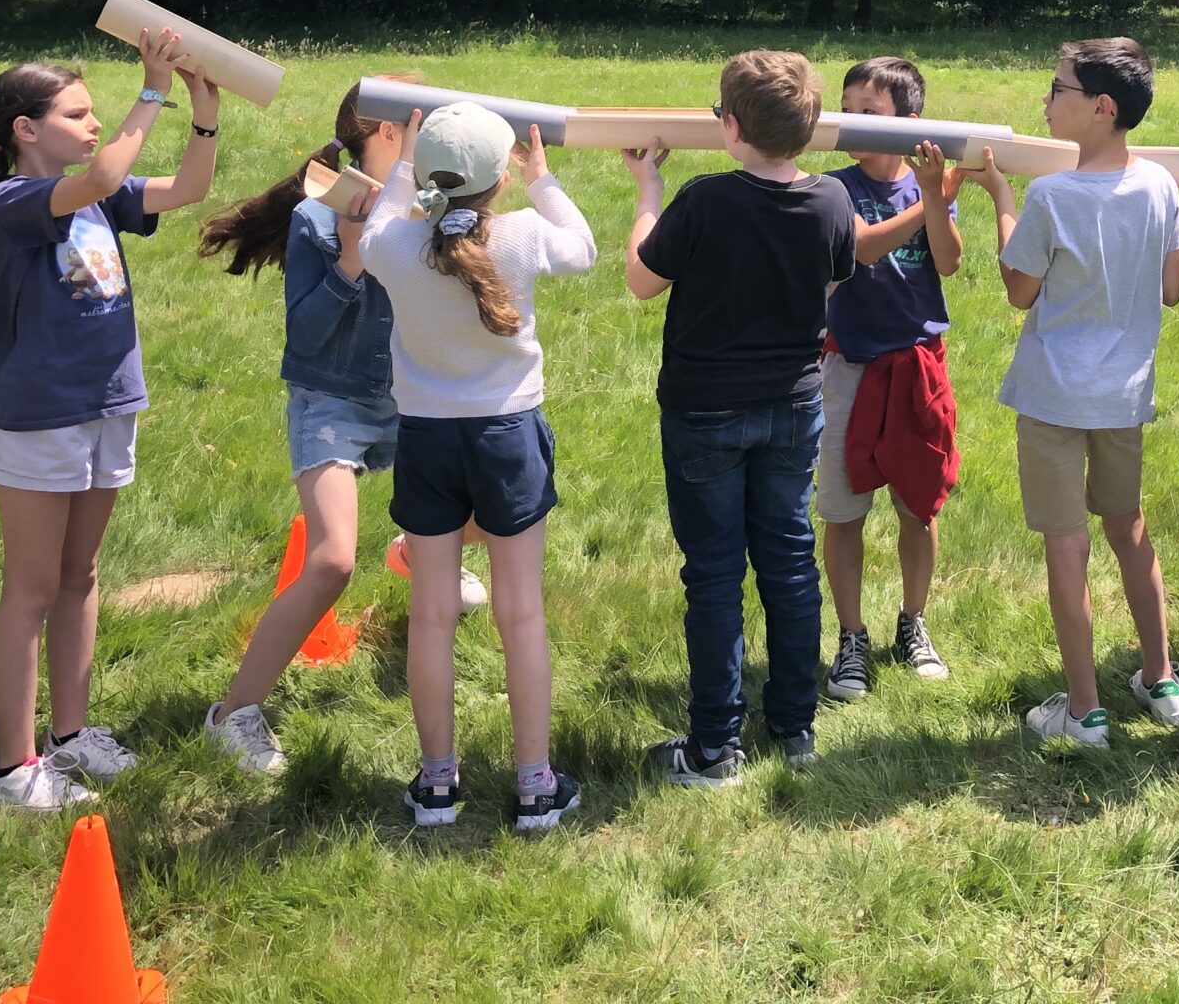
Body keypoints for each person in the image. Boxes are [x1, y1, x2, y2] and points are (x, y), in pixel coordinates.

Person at [192, 80, 483, 780]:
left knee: (496, 509)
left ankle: (416, 551)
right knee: (330, 563)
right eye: (429, 124)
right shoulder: (317, 217)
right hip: (332, 400)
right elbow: (307, 335)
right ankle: (232, 714)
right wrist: (353, 256)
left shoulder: (430, 207)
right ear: (391, 134)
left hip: (412, 395)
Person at [0, 36, 222, 811]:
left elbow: (188, 189)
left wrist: (203, 111)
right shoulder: (13, 201)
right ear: (25, 130)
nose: (93, 124)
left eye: (93, 114)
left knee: (80, 575)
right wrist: (153, 88)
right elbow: (105, 173)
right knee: (32, 587)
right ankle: (12, 770)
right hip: (40, 415)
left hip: (108, 403)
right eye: (76, 114)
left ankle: (70, 735)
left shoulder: (97, 197)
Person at [625, 52, 856, 783]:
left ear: (730, 126)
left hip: (704, 413)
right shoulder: (832, 201)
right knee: (789, 561)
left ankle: (714, 747)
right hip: (793, 409)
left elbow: (641, 280)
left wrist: (648, 190)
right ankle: (794, 725)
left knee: (715, 575)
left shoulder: (703, 200)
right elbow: (836, 276)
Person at [366, 101, 595, 830]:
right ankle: (534, 786)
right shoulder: (523, 234)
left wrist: (405, 162)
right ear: (502, 178)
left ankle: (437, 785)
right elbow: (584, 248)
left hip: (426, 439)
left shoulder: (393, 247)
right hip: (507, 436)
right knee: (519, 613)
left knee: (431, 615)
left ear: (424, 175)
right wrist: (544, 178)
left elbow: (379, 222)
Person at [984, 38, 1179, 748]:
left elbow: (1019, 290)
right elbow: (1172, 287)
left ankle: (1084, 711)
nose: (1046, 99)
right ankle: (1162, 681)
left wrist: (1001, 198)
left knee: (1067, 546)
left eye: (1058, 87)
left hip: (1054, 398)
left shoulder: (1051, 196)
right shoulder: (1160, 184)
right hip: (1122, 397)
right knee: (1128, 528)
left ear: (1101, 107)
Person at [817, 57, 963, 699]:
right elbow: (862, 247)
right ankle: (851, 637)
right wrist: (935, 199)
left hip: (918, 369)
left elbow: (949, 262)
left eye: (868, 112)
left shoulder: (924, 186)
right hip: (848, 368)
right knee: (843, 510)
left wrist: (934, 200)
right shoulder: (835, 188)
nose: (852, 121)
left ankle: (913, 622)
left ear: (909, 121)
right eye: (846, 108)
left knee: (918, 506)